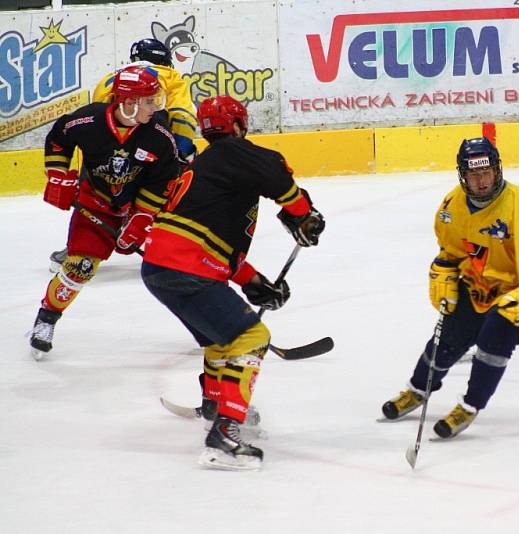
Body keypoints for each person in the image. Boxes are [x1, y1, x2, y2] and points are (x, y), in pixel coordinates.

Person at [140, 95, 325, 470]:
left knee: (218, 338)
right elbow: (276, 172)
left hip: (161, 265)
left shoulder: (207, 167)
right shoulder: (236, 154)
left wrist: (254, 281)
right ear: (238, 125)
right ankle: (224, 436)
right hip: (186, 266)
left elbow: (212, 242)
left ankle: (214, 404)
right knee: (252, 338)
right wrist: (304, 215)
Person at [380, 137, 519, 438]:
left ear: (497, 170)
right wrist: (442, 272)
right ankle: (418, 389)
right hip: (479, 285)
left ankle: (470, 405)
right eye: (473, 175)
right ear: (462, 175)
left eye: (486, 173)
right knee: (450, 336)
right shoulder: (452, 206)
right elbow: (452, 254)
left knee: (496, 334)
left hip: (518, 291)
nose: (481, 182)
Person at [29, 65, 180, 359]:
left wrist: (142, 218)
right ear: (128, 102)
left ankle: (206, 323)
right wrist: (57, 174)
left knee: (176, 266)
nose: (155, 106)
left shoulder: (159, 136)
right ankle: (47, 317)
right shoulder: (88, 121)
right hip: (95, 205)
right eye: (149, 100)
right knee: (79, 268)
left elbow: (165, 180)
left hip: (140, 210)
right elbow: (59, 139)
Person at [49, 38, 198, 271]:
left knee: (96, 193)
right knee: (165, 192)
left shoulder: (111, 78)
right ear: (165, 60)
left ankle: (77, 248)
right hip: (151, 148)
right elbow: (182, 116)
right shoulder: (170, 76)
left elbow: (96, 121)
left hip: (105, 151)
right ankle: (172, 246)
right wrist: (182, 153)